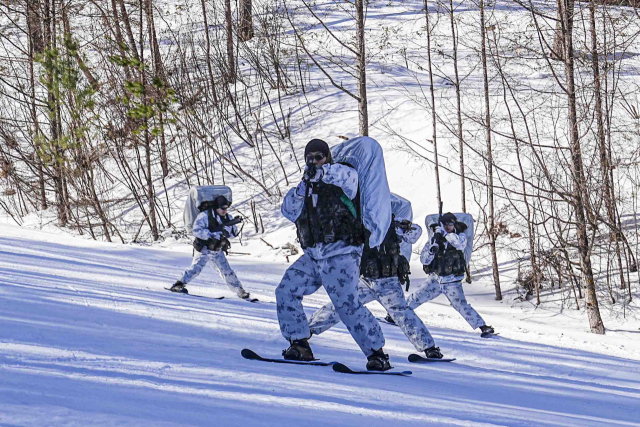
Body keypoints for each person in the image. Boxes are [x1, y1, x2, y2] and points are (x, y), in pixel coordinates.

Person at [276, 138, 390, 371]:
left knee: (346, 303)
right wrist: (302, 188)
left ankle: (377, 353)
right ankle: (299, 344)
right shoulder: (305, 186)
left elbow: (345, 177)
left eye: (319, 157)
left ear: (328, 157)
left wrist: (323, 173)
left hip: (342, 252)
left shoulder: (344, 176)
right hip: (313, 254)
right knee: (286, 289)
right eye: (310, 158)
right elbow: (288, 210)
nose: (314, 162)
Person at [308, 213, 447, 359]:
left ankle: (429, 348)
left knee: (403, 314)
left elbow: (415, 233)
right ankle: (307, 330)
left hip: (389, 283)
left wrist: (404, 226)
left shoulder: (392, 224)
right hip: (364, 280)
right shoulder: (358, 223)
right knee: (340, 305)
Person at [406, 212, 494, 336]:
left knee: (461, 305)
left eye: (450, 224)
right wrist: (431, 251)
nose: (448, 226)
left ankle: (483, 327)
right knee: (416, 298)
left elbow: (459, 244)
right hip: (435, 279)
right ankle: (396, 315)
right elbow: (423, 260)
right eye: (445, 224)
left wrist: (445, 234)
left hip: (452, 281)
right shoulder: (434, 239)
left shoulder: (460, 236)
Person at [170, 195, 251, 300]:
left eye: (226, 208)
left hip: (217, 250)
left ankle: (240, 291)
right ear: (216, 207)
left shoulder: (228, 218)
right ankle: (178, 285)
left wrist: (229, 228)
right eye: (222, 208)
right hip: (204, 248)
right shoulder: (204, 216)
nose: (224, 210)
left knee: (227, 271)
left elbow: (233, 234)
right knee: (195, 269)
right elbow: (196, 231)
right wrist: (210, 234)